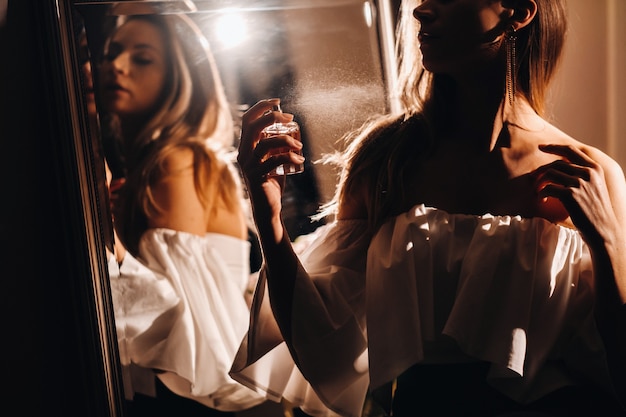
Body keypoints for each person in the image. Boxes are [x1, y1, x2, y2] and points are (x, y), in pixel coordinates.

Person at [231, 0, 626, 416]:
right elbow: (325, 350)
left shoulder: (587, 172)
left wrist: (610, 246)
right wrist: (267, 214)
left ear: (519, 11)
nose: (420, 11)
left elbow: (616, 368)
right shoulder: (386, 159)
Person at [97, 11, 284, 417]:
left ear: (177, 77)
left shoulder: (176, 160)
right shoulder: (171, 160)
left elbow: (175, 320)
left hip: (209, 402)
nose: (116, 65)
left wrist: (104, 235)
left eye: (142, 58)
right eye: (112, 52)